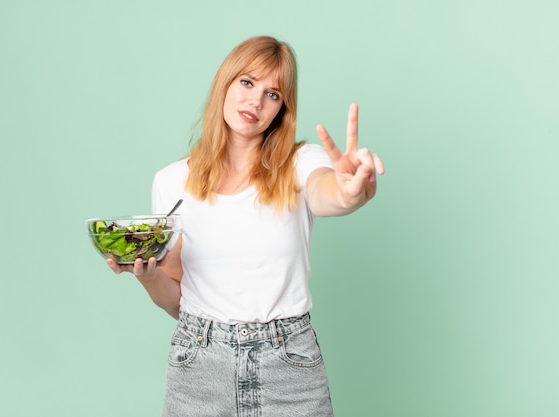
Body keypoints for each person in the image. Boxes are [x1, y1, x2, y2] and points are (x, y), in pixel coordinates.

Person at [107, 35, 384, 416]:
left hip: (289, 364)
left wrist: (353, 190)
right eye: (248, 83)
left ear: (281, 111)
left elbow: (329, 193)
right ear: (226, 82)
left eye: (273, 94)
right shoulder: (170, 182)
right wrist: (148, 276)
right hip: (199, 363)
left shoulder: (301, 162)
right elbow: (178, 299)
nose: (256, 100)